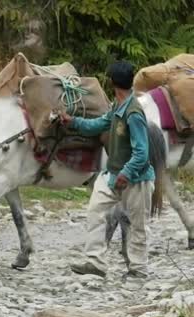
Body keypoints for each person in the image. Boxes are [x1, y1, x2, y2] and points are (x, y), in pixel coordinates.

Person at [60, 60, 154, 279]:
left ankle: (138, 269)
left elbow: (142, 152)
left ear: (112, 82)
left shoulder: (134, 113)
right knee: (95, 210)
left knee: (138, 224)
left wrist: (126, 173)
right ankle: (95, 262)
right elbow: (98, 125)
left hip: (136, 180)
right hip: (112, 175)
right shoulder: (117, 106)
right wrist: (72, 122)